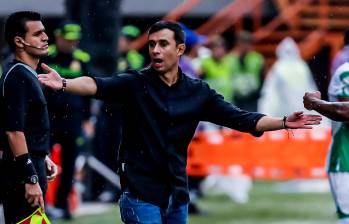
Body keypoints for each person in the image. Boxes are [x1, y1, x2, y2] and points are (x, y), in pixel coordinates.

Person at [38, 20, 321, 224]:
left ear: (181, 49)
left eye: (163, 44)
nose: (156, 51)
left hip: (177, 193)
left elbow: (242, 119)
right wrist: (63, 83)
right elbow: (97, 85)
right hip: (140, 193)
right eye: (152, 45)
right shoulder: (136, 83)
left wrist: (284, 121)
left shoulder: (198, 93)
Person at [0, 11, 58, 224]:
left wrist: (43, 156)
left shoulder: (28, 74)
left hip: (32, 166)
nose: (46, 38)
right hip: (22, 177)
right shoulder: (17, 76)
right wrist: (30, 177)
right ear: (19, 41)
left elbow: (28, 127)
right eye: (38, 34)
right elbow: (13, 132)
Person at [42, 20, 91, 220]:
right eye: (67, 39)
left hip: (74, 119)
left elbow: (89, 88)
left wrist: (88, 119)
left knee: (70, 164)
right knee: (43, 160)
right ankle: (43, 204)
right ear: (58, 37)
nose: (71, 44)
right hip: (49, 118)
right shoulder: (46, 57)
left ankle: (63, 205)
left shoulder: (83, 59)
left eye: (75, 41)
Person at [304, 62, 349, 224]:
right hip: (345, 159)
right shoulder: (346, 72)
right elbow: (346, 112)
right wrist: (316, 103)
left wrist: (315, 103)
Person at [258, 37, 318, 117]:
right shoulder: (298, 66)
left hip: (298, 108)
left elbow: (269, 92)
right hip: (286, 109)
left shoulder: (284, 66)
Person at [230, 31, 265, 111]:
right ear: (238, 43)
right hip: (236, 98)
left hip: (253, 98)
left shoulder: (257, 58)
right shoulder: (230, 59)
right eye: (243, 42)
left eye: (248, 42)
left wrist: (258, 93)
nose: (245, 45)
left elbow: (262, 76)